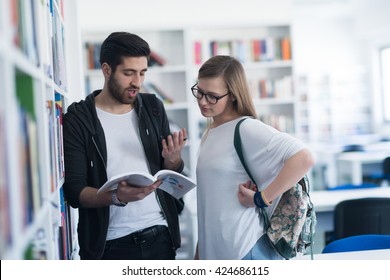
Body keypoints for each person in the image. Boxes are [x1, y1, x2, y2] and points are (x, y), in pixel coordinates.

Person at [62, 32, 187, 260]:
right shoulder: (78, 119)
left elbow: (171, 170)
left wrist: (173, 160)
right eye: (128, 73)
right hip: (109, 246)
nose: (137, 83)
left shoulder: (153, 107)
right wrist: (115, 197)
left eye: (142, 73)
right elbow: (75, 191)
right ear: (107, 70)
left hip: (160, 236)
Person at [193, 55, 315, 260]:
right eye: (199, 92)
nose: (203, 102)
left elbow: (304, 158)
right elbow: (211, 202)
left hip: (243, 250)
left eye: (212, 96)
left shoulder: (247, 128)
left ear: (232, 95)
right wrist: (200, 253)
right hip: (217, 251)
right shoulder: (212, 130)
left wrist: (261, 198)